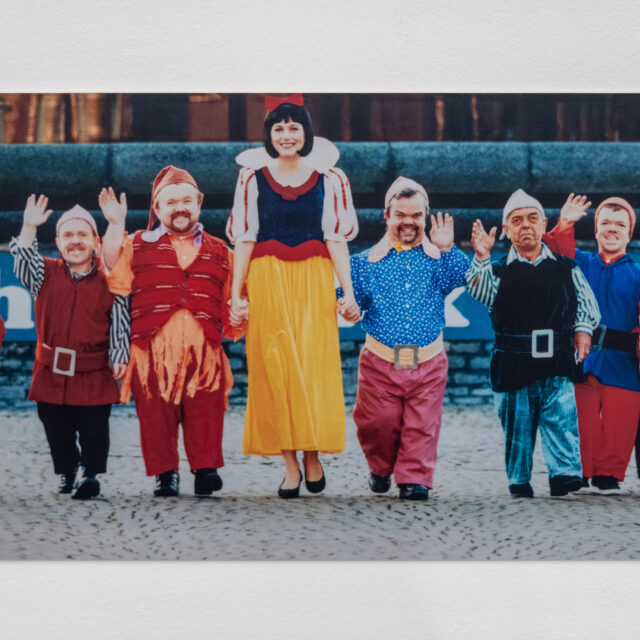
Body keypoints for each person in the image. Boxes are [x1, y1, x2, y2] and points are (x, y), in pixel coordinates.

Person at [226, 94, 359, 498]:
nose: (286, 135)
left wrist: (347, 292)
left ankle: (313, 454)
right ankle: (289, 464)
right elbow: (245, 238)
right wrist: (237, 293)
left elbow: (336, 239)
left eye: (293, 127)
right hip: (267, 278)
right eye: (278, 128)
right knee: (274, 366)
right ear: (269, 134)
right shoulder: (252, 178)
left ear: (306, 133)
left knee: (313, 366)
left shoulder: (329, 179)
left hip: (313, 278)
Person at [100, 166, 245, 497]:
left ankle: (205, 469)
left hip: (205, 355)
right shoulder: (136, 243)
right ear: (157, 208)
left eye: (187, 201)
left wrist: (240, 309)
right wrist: (115, 225)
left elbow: (234, 299)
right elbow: (111, 269)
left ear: (199, 204)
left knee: (205, 411)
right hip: (149, 353)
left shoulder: (223, 252)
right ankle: (165, 475)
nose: (180, 208)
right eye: (171, 202)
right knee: (155, 415)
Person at [465, 189, 600, 498]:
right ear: (507, 229)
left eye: (531, 218)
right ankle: (519, 479)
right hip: (514, 361)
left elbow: (585, 304)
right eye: (516, 220)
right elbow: (480, 292)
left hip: (557, 360)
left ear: (543, 225)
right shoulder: (497, 270)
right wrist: (482, 257)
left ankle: (564, 474)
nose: (525, 225)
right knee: (518, 425)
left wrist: (583, 331)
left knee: (561, 418)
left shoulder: (566, 267)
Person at [341, 177, 469, 500]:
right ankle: (380, 467)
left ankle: (414, 478)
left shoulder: (438, 259)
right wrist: (347, 306)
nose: (408, 222)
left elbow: (462, 276)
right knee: (377, 423)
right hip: (380, 363)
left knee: (422, 425)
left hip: (428, 362)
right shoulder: (364, 263)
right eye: (401, 215)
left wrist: (448, 248)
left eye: (416, 215)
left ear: (425, 217)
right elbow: (347, 299)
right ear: (387, 216)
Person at [10, 195, 129, 499]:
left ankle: (89, 473)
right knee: (54, 424)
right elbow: (23, 264)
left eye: (82, 235)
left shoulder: (109, 279)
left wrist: (119, 354)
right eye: (68, 235)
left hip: (93, 369)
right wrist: (28, 228)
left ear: (95, 241)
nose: (75, 241)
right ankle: (68, 468)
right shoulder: (44, 273)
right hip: (51, 369)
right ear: (58, 243)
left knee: (94, 426)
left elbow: (120, 317)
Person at [544, 194, 640, 494]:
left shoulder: (638, 273)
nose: (612, 229)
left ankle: (608, 474)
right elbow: (557, 253)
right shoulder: (581, 262)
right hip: (582, 357)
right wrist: (565, 224)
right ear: (596, 229)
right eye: (606, 223)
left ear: (629, 233)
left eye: (620, 225)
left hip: (623, 361)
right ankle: (581, 470)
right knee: (581, 418)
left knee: (620, 418)